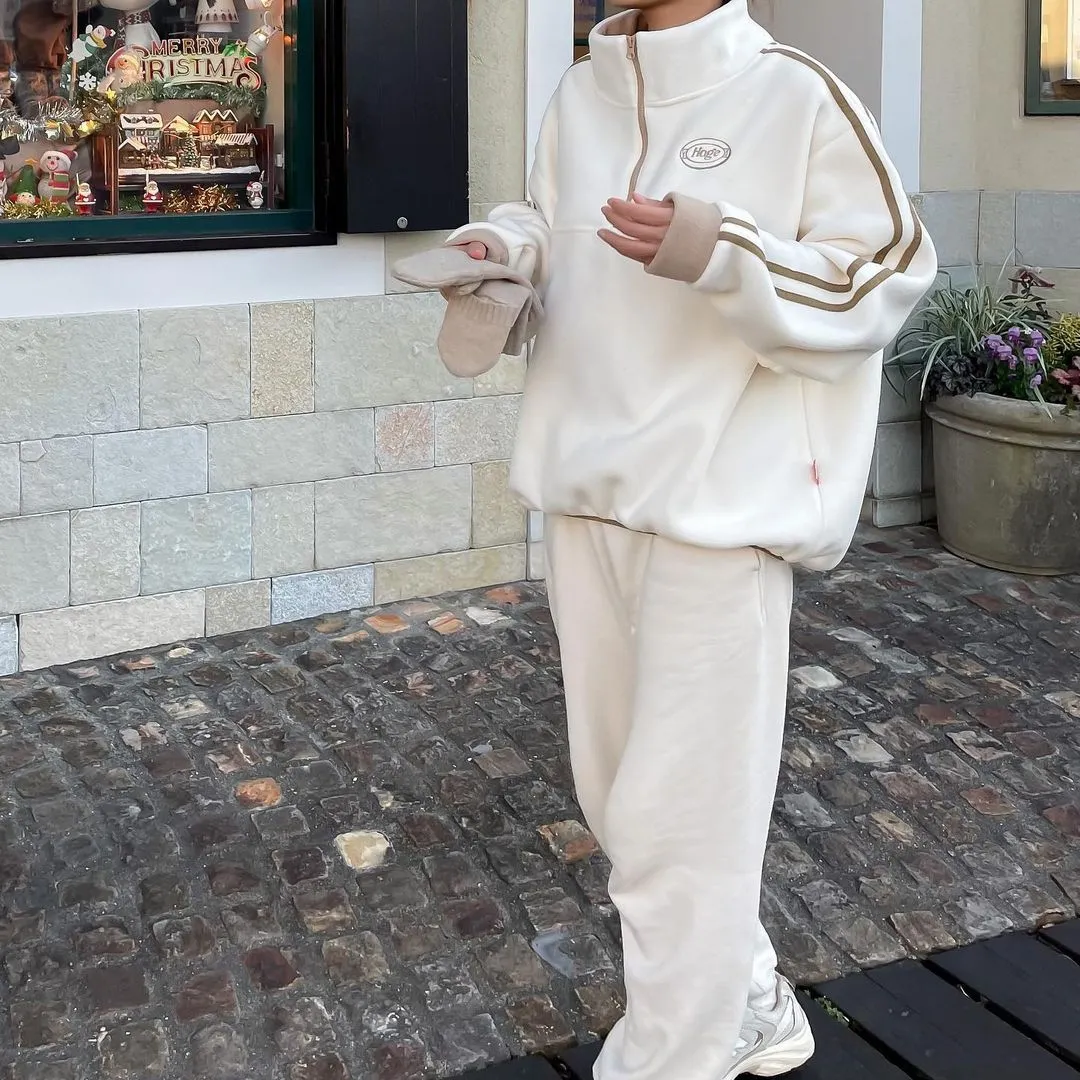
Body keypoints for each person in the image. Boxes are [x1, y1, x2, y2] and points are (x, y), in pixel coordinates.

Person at [444, 2, 937, 1078]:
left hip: (722, 507)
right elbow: (563, 234)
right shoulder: (581, 92)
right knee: (623, 797)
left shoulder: (795, 92)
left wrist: (727, 250)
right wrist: (511, 248)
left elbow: (888, 271)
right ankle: (749, 1000)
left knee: (682, 814)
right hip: (587, 490)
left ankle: (676, 1053)